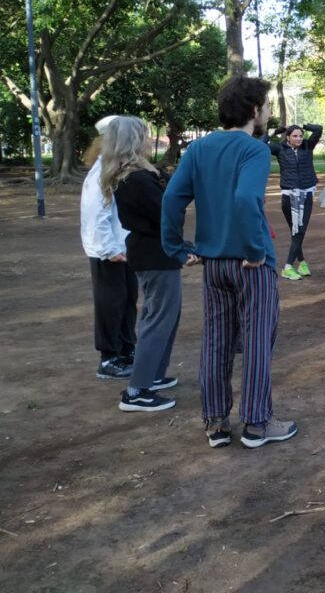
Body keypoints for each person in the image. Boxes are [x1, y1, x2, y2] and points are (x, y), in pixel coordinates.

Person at [162, 76, 297, 449]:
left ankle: (216, 422)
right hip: (251, 265)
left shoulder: (198, 149)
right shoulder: (254, 150)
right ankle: (256, 424)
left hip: (214, 265)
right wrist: (255, 250)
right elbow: (245, 199)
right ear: (254, 109)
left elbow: (172, 198)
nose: (268, 114)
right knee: (256, 341)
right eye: (265, 107)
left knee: (216, 341)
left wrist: (175, 246)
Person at [102, 116, 186, 412]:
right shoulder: (136, 179)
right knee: (159, 319)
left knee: (165, 315)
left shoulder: (136, 175)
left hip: (153, 253)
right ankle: (136, 390)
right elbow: (167, 212)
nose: (149, 140)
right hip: (155, 254)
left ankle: (152, 375)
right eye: (145, 135)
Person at [81, 115, 137, 380]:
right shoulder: (101, 171)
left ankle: (126, 349)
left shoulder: (115, 169)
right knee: (110, 305)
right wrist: (109, 249)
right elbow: (96, 215)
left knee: (127, 301)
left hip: (123, 249)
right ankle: (108, 358)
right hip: (109, 252)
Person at [266, 122, 323, 281]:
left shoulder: (308, 146)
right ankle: (298, 264)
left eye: (300, 136)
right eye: (295, 136)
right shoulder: (279, 149)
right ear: (288, 138)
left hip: (306, 193)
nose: (298, 138)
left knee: (300, 231)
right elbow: (260, 144)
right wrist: (273, 132)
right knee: (295, 231)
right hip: (288, 195)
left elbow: (319, 129)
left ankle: (291, 265)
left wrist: (305, 126)